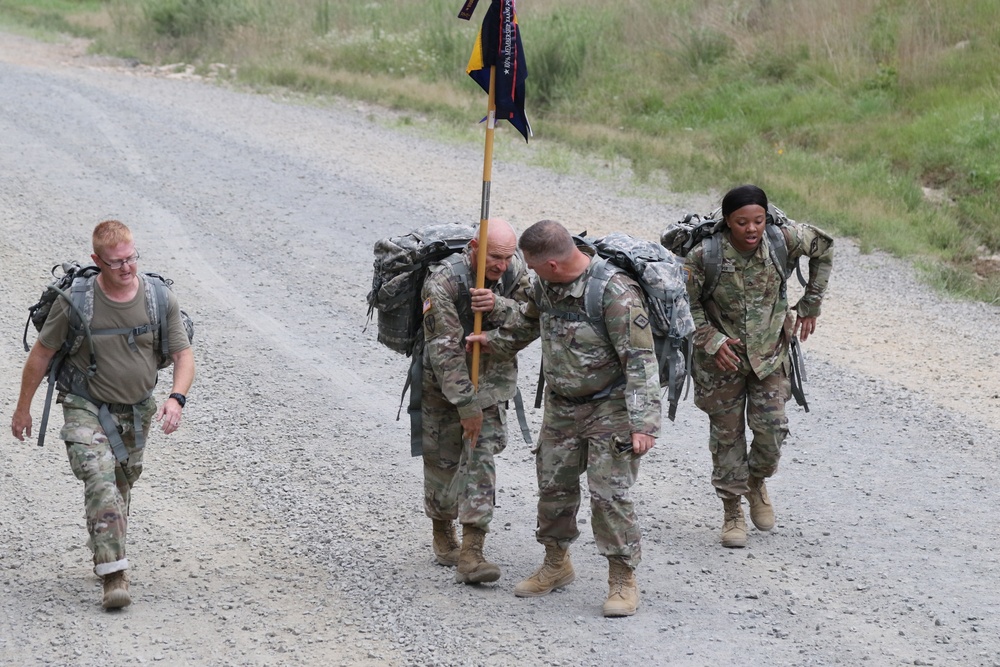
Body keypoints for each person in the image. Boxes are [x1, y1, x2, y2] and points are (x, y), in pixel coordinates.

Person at [468, 219, 661, 617]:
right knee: (553, 487)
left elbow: (640, 361)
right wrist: (493, 343)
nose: (529, 274)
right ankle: (556, 564)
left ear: (553, 264)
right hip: (562, 404)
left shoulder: (615, 294)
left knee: (609, 496)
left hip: (611, 406)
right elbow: (526, 323)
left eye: (534, 267)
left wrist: (643, 423)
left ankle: (622, 579)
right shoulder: (545, 285)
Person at [11, 220, 195, 609]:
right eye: (116, 263)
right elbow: (41, 355)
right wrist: (23, 407)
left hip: (137, 408)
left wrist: (176, 398)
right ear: (97, 260)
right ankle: (113, 575)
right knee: (98, 477)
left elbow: (182, 354)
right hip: (85, 404)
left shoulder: (158, 297)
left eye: (131, 258)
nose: (127, 268)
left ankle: (109, 547)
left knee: (122, 483)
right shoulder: (76, 302)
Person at [684, 185, 833, 548]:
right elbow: (682, 305)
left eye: (758, 221)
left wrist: (811, 303)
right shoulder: (705, 255)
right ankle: (732, 509)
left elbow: (825, 247)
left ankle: (756, 482)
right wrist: (712, 340)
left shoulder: (783, 240)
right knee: (727, 437)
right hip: (722, 363)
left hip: (770, 357)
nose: (751, 229)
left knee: (772, 432)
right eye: (742, 222)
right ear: (727, 222)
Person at [420, 218, 530, 584]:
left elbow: (533, 320)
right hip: (443, 383)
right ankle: (442, 530)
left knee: (479, 460)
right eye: (493, 257)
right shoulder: (442, 282)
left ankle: (472, 552)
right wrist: (465, 406)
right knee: (442, 459)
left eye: (506, 256)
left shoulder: (515, 273)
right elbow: (444, 350)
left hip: (490, 382)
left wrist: (497, 305)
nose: (500, 265)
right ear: (473, 249)